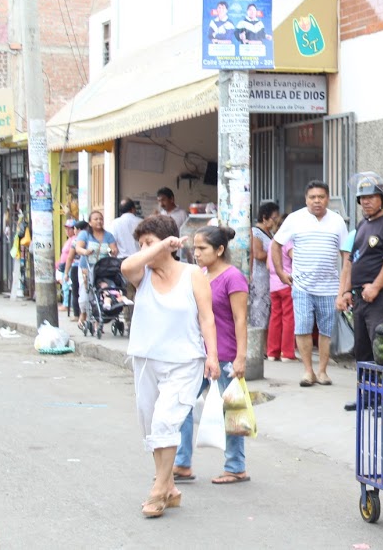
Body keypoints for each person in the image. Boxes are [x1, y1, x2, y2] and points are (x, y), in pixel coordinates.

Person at [121, 215, 219, 518]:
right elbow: (126, 267)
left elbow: (207, 317)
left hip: (185, 360)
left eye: (148, 243)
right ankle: (171, 487)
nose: (143, 250)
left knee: (165, 422)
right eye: (141, 245)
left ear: (169, 244)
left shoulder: (193, 274)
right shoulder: (142, 275)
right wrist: (157, 246)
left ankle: (158, 489)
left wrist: (212, 356)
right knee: (151, 425)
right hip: (146, 359)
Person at [173, 225, 251, 486]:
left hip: (227, 355)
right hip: (202, 354)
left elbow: (241, 320)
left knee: (232, 412)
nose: (196, 253)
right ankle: (182, 463)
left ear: (219, 249)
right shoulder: (201, 275)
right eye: (194, 248)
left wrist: (241, 358)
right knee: (182, 404)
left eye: (202, 248)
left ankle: (236, 466)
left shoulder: (233, 277)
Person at [338, 173, 383, 411]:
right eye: (361, 198)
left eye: (371, 196)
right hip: (360, 297)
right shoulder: (363, 225)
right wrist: (346, 291)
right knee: (363, 349)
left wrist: (376, 286)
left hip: (382, 296)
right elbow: (353, 260)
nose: (365, 202)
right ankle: (369, 395)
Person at [271, 181, 347, 387]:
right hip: (302, 286)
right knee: (302, 328)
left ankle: (322, 371)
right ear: (306, 199)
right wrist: (280, 271)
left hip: (329, 287)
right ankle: (307, 371)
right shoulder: (295, 219)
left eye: (321, 197)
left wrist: (345, 285)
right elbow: (276, 244)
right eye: (312, 197)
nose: (317, 201)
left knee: (325, 331)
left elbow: (346, 254)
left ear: (327, 199)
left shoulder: (337, 221)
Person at [74, 211, 118, 330]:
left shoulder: (108, 235)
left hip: (102, 269)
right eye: (96, 219)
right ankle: (83, 312)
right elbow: (78, 248)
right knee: (85, 294)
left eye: (101, 219)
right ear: (90, 222)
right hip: (86, 268)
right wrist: (85, 252)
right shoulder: (85, 234)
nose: (99, 221)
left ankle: (98, 319)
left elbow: (114, 249)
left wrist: (113, 251)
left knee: (101, 292)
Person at [267, 228, 295, 361]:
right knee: (288, 318)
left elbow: (268, 266)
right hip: (286, 282)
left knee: (275, 318)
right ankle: (287, 353)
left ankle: (272, 352)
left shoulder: (272, 242)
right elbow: (295, 258)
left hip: (273, 285)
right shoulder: (288, 242)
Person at [250, 201, 280, 330]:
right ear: (264, 217)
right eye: (274, 218)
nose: (275, 221)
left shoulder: (271, 233)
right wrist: (277, 254)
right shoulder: (256, 232)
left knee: (269, 310)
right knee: (259, 308)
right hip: (260, 276)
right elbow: (258, 254)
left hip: (270, 277)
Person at [69, 220, 90, 320]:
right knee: (81, 291)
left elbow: (70, 257)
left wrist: (65, 271)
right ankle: (80, 314)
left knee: (77, 291)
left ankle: (78, 314)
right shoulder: (79, 239)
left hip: (80, 268)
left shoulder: (77, 240)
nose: (74, 230)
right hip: (82, 268)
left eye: (75, 228)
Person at [57, 218, 77, 315]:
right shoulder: (69, 240)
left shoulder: (74, 240)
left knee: (67, 285)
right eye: (66, 228)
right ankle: (66, 303)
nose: (68, 231)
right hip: (65, 265)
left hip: (70, 265)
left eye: (70, 228)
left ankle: (67, 304)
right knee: (65, 285)